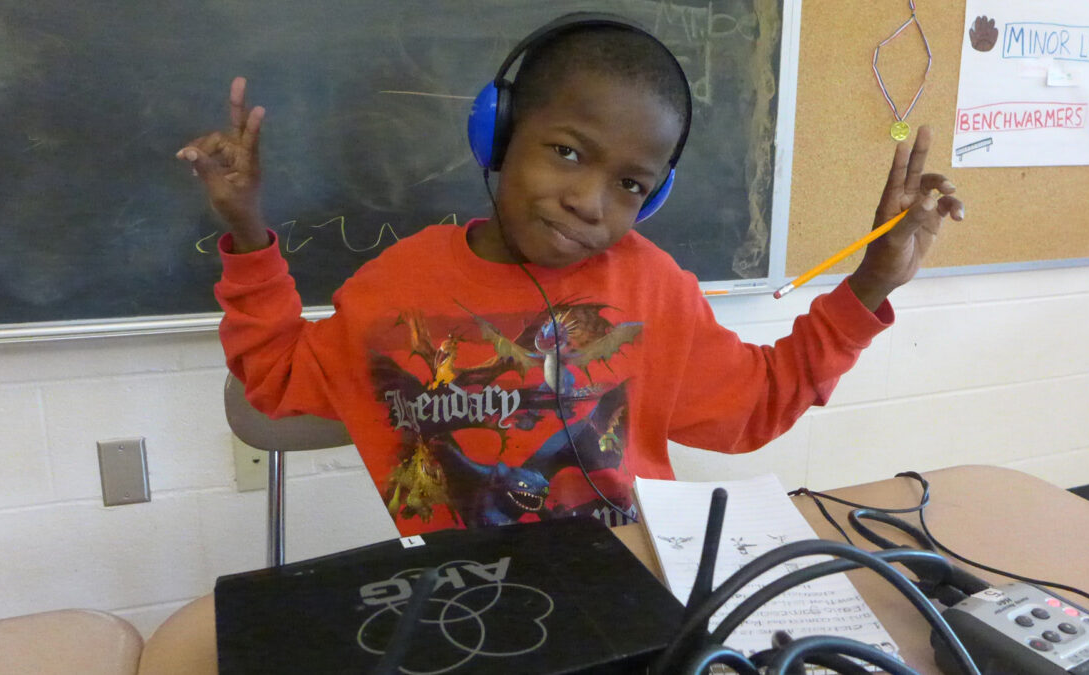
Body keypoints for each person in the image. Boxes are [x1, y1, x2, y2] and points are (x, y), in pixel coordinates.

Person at [176, 14, 963, 536]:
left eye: (630, 184)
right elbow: (274, 381)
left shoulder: (651, 289)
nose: (590, 201)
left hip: (631, 583)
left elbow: (754, 408)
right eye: (567, 151)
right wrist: (247, 233)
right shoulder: (398, 289)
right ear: (500, 132)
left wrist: (868, 288)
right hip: (471, 605)